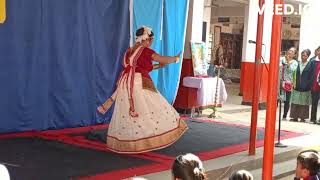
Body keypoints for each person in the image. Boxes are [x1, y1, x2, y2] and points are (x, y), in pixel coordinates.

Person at [97, 26, 188, 154]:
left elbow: (138, 67)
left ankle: (129, 142)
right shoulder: (145, 51)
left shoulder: (130, 51)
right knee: (152, 106)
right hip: (139, 82)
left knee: (128, 111)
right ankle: (148, 138)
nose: (151, 43)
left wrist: (158, 66)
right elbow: (161, 59)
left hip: (126, 83)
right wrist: (175, 59)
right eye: (151, 40)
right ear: (148, 39)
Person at [289, 49, 313, 122]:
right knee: (295, 101)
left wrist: (308, 85)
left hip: (306, 87)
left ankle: (303, 118)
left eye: (305, 56)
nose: (303, 57)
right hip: (297, 86)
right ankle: (294, 117)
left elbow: (311, 76)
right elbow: (293, 73)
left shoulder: (310, 64)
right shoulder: (297, 63)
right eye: (302, 55)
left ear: (308, 56)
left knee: (304, 103)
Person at [279, 47, 298, 120]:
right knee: (278, 98)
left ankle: (284, 116)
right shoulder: (281, 59)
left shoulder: (295, 62)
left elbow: (291, 70)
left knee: (287, 100)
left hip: (288, 83)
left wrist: (287, 61)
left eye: (292, 51)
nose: (290, 52)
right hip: (280, 81)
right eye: (290, 50)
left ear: (294, 55)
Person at [310, 46, 320, 124]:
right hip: (315, 86)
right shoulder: (313, 61)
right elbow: (310, 74)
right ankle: (313, 119)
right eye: (319, 50)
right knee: (314, 103)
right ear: (317, 51)